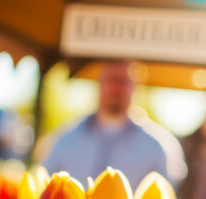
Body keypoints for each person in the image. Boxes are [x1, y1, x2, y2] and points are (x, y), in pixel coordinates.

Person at [43, 60, 184, 188]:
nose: (117, 87)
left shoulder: (159, 146)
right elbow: (45, 188)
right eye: (111, 80)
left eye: (123, 81)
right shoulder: (64, 139)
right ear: (99, 84)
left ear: (136, 87)